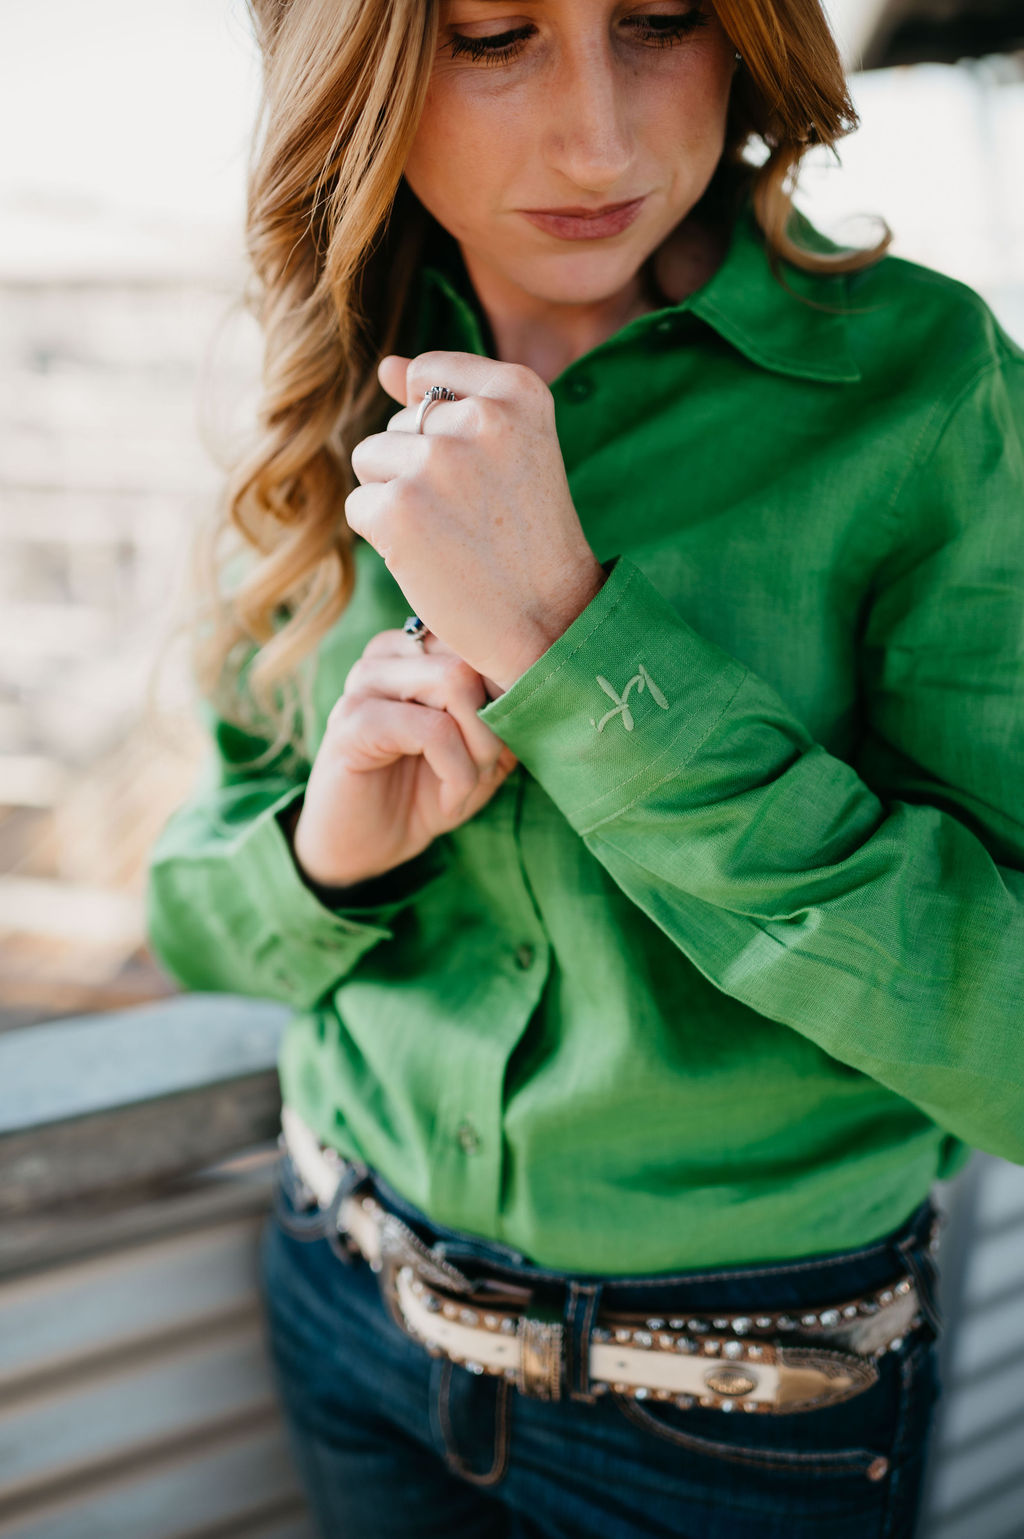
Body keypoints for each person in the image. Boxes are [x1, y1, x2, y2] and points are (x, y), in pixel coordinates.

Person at [144, 0, 1024, 1534]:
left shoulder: (928, 389)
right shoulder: (320, 376)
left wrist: (570, 639)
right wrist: (325, 854)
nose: (601, 142)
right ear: (362, 67)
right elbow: (191, 921)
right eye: (496, 34)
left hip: (739, 1411)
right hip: (345, 1302)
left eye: (660, 20)